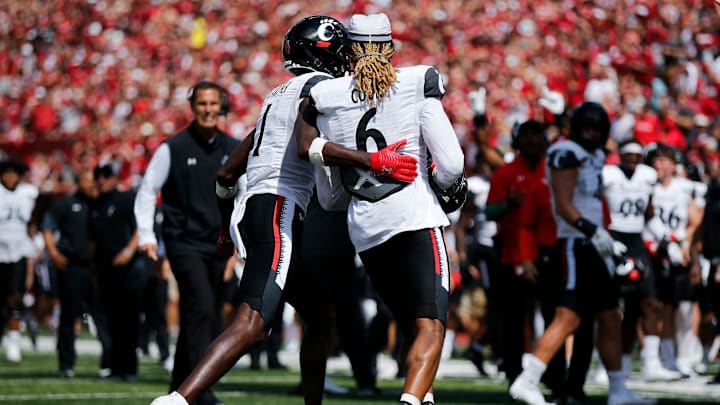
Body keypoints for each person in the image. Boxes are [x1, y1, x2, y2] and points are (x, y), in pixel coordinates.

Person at [151, 15, 416, 405]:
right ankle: (177, 400)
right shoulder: (322, 89)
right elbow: (307, 147)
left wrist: (227, 229)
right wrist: (372, 159)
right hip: (278, 210)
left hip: (254, 210)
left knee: (320, 313)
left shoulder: (277, 95)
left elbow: (226, 175)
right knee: (254, 323)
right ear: (326, 53)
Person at [294, 13, 466, 405]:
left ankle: (423, 398)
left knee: (411, 324)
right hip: (414, 216)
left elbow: (331, 196)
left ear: (350, 50)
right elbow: (452, 163)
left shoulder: (328, 96)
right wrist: (445, 188)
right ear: (391, 46)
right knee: (432, 325)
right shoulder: (415, 83)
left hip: (366, 228)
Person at [508, 102, 653, 405]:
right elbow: (562, 204)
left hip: (595, 243)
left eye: (595, 129)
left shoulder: (597, 154)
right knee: (569, 316)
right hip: (576, 243)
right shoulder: (566, 152)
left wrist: (605, 235)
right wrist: (594, 231)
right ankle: (527, 380)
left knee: (610, 316)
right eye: (585, 128)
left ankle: (617, 390)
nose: (590, 134)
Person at [134, 80, 241, 404]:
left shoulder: (234, 147)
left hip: (219, 244)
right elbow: (147, 190)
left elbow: (246, 196)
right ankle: (200, 391)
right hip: (183, 242)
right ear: (192, 108)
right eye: (202, 104)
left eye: (213, 104)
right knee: (201, 306)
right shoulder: (173, 148)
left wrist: (238, 245)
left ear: (220, 106)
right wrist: (146, 236)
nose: (208, 110)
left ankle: (178, 388)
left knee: (203, 312)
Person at [602, 140, 683, 381]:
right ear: (620, 156)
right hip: (612, 237)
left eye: (637, 155)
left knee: (649, 301)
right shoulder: (608, 175)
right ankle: (604, 366)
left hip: (636, 239)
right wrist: (604, 237)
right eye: (628, 155)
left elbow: (649, 213)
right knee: (608, 305)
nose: (632, 159)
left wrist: (668, 240)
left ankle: (651, 362)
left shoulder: (646, 177)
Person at [485, 120, 548, 384]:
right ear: (518, 141)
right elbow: (489, 211)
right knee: (512, 316)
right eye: (527, 136)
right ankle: (512, 371)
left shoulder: (554, 170)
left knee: (551, 314)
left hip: (547, 250)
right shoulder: (506, 173)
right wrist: (510, 203)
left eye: (537, 136)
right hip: (511, 253)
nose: (532, 142)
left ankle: (552, 373)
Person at [42, 169, 112, 378]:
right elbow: (47, 226)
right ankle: (66, 364)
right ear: (78, 182)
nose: (92, 184)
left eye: (94, 180)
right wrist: (53, 252)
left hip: (97, 269)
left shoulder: (103, 204)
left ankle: (108, 363)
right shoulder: (65, 203)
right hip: (72, 266)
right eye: (87, 179)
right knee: (69, 316)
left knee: (102, 316)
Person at [645, 143, 705, 376]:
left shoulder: (682, 189)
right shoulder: (647, 186)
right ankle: (651, 357)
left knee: (671, 307)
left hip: (675, 254)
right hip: (651, 250)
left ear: (672, 164)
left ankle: (671, 357)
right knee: (650, 305)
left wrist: (684, 241)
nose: (658, 165)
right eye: (655, 161)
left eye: (662, 161)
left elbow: (695, 220)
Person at [90, 163, 145, 380]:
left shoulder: (125, 200)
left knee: (128, 320)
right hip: (105, 269)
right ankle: (114, 367)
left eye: (105, 176)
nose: (101, 180)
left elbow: (140, 227)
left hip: (128, 269)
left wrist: (129, 251)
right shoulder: (96, 205)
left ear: (114, 179)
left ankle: (129, 368)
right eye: (98, 176)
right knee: (109, 320)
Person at [0, 159, 38, 363]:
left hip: (19, 253)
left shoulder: (27, 194)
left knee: (15, 298)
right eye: (7, 173)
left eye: (15, 173)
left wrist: (32, 255)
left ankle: (13, 341)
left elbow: (32, 224)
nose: (11, 177)